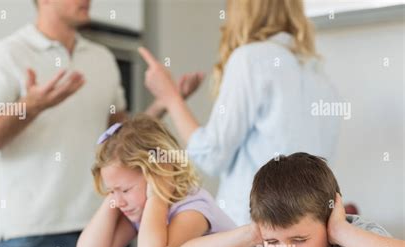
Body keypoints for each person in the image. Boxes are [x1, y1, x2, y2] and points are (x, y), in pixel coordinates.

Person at [0, 0, 201, 247]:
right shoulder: (7, 55)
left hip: (100, 229)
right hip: (31, 237)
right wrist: (30, 107)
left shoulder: (102, 59)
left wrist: (166, 102)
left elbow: (119, 140)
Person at [138, 0, 341, 225]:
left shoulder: (250, 58)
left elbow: (212, 155)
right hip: (306, 231)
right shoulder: (317, 72)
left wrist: (171, 98)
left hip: (253, 229)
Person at [168, 153, 405, 247]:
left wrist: (341, 231)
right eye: (273, 241)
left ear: (329, 219)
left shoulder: (354, 246)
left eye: (299, 239)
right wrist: (250, 233)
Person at [76, 115, 236, 247]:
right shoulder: (141, 210)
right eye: (111, 192)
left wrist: (157, 195)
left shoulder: (193, 209)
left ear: (160, 173)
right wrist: (116, 191)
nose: (118, 202)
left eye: (125, 190)